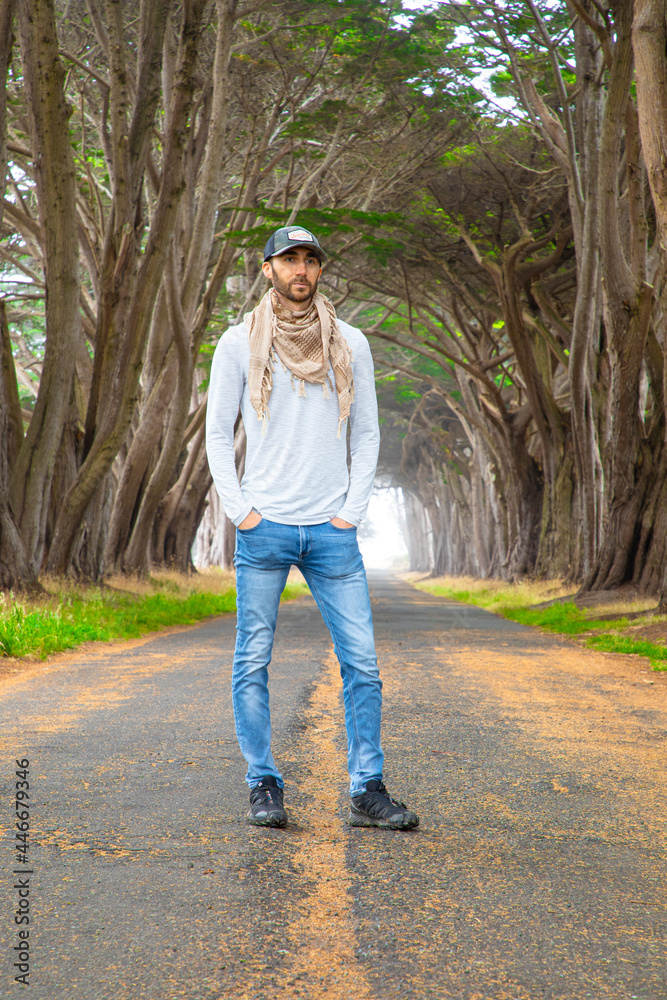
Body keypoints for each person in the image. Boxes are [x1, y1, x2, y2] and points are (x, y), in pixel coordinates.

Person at [205, 225, 418, 831]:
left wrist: (350, 513)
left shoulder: (350, 342)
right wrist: (241, 511)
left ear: (320, 271)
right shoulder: (237, 343)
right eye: (289, 259)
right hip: (264, 527)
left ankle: (366, 790)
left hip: (332, 532)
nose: (301, 269)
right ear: (267, 268)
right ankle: (263, 784)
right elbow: (219, 434)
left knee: (363, 666)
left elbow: (368, 432)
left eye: (310, 260)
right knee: (252, 661)